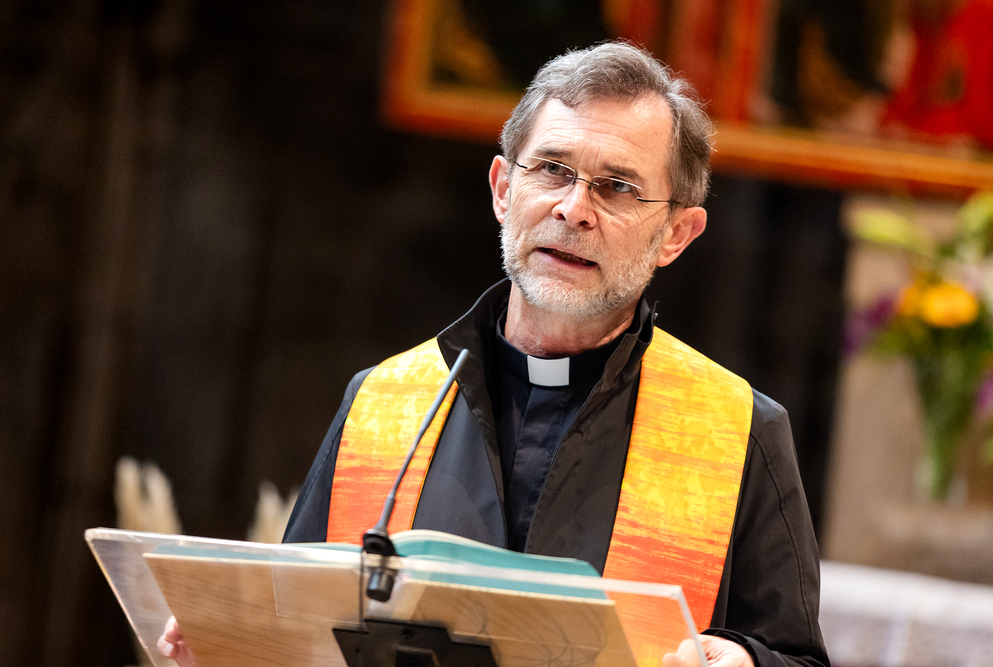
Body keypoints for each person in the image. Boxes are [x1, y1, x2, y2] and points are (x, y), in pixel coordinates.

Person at [160, 42, 829, 667]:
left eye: (617, 187)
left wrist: (744, 661)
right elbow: (295, 621)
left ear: (676, 234)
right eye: (553, 170)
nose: (574, 209)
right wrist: (231, 644)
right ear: (504, 189)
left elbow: (793, 656)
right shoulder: (384, 403)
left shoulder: (736, 428)